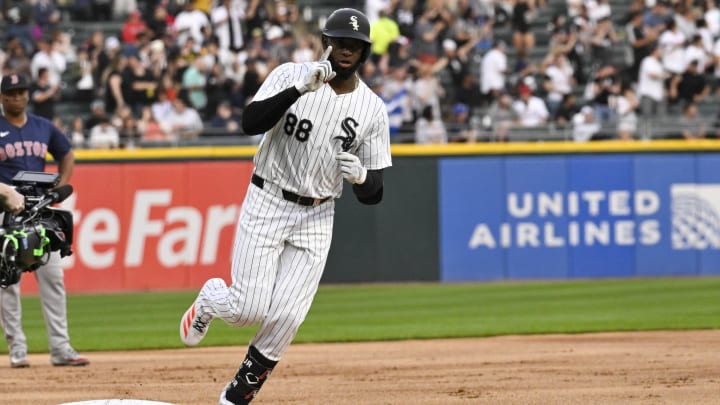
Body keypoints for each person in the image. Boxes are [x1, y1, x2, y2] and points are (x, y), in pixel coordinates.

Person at [179, 8, 391, 404]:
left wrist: (362, 177)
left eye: (355, 45)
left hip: (318, 211)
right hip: (269, 198)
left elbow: (375, 193)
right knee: (247, 309)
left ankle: (239, 392)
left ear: (364, 52)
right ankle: (210, 298)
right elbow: (250, 122)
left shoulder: (372, 109)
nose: (347, 50)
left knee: (289, 315)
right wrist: (297, 90)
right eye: (341, 42)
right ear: (327, 42)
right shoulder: (290, 73)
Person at [0, 73, 88, 368]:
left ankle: (61, 349)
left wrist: (60, 185)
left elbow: (66, 154)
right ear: (2, 97)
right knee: (7, 283)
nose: (16, 97)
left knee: (52, 279)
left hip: (40, 211)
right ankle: (17, 349)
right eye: (11, 93)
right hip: (5, 211)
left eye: (21, 92)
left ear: (27, 95)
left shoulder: (43, 126)